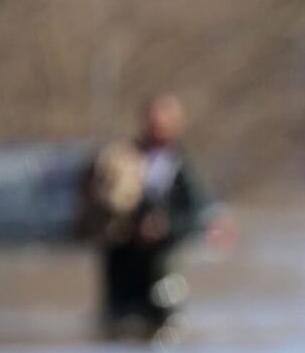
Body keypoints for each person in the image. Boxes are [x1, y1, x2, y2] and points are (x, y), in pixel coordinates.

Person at [80, 93, 229, 340]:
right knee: (118, 325)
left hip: (163, 257)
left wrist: (164, 226)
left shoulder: (184, 166)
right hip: (123, 254)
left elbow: (197, 213)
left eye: (163, 118)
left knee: (164, 323)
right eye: (152, 118)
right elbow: (98, 200)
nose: (157, 124)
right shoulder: (121, 158)